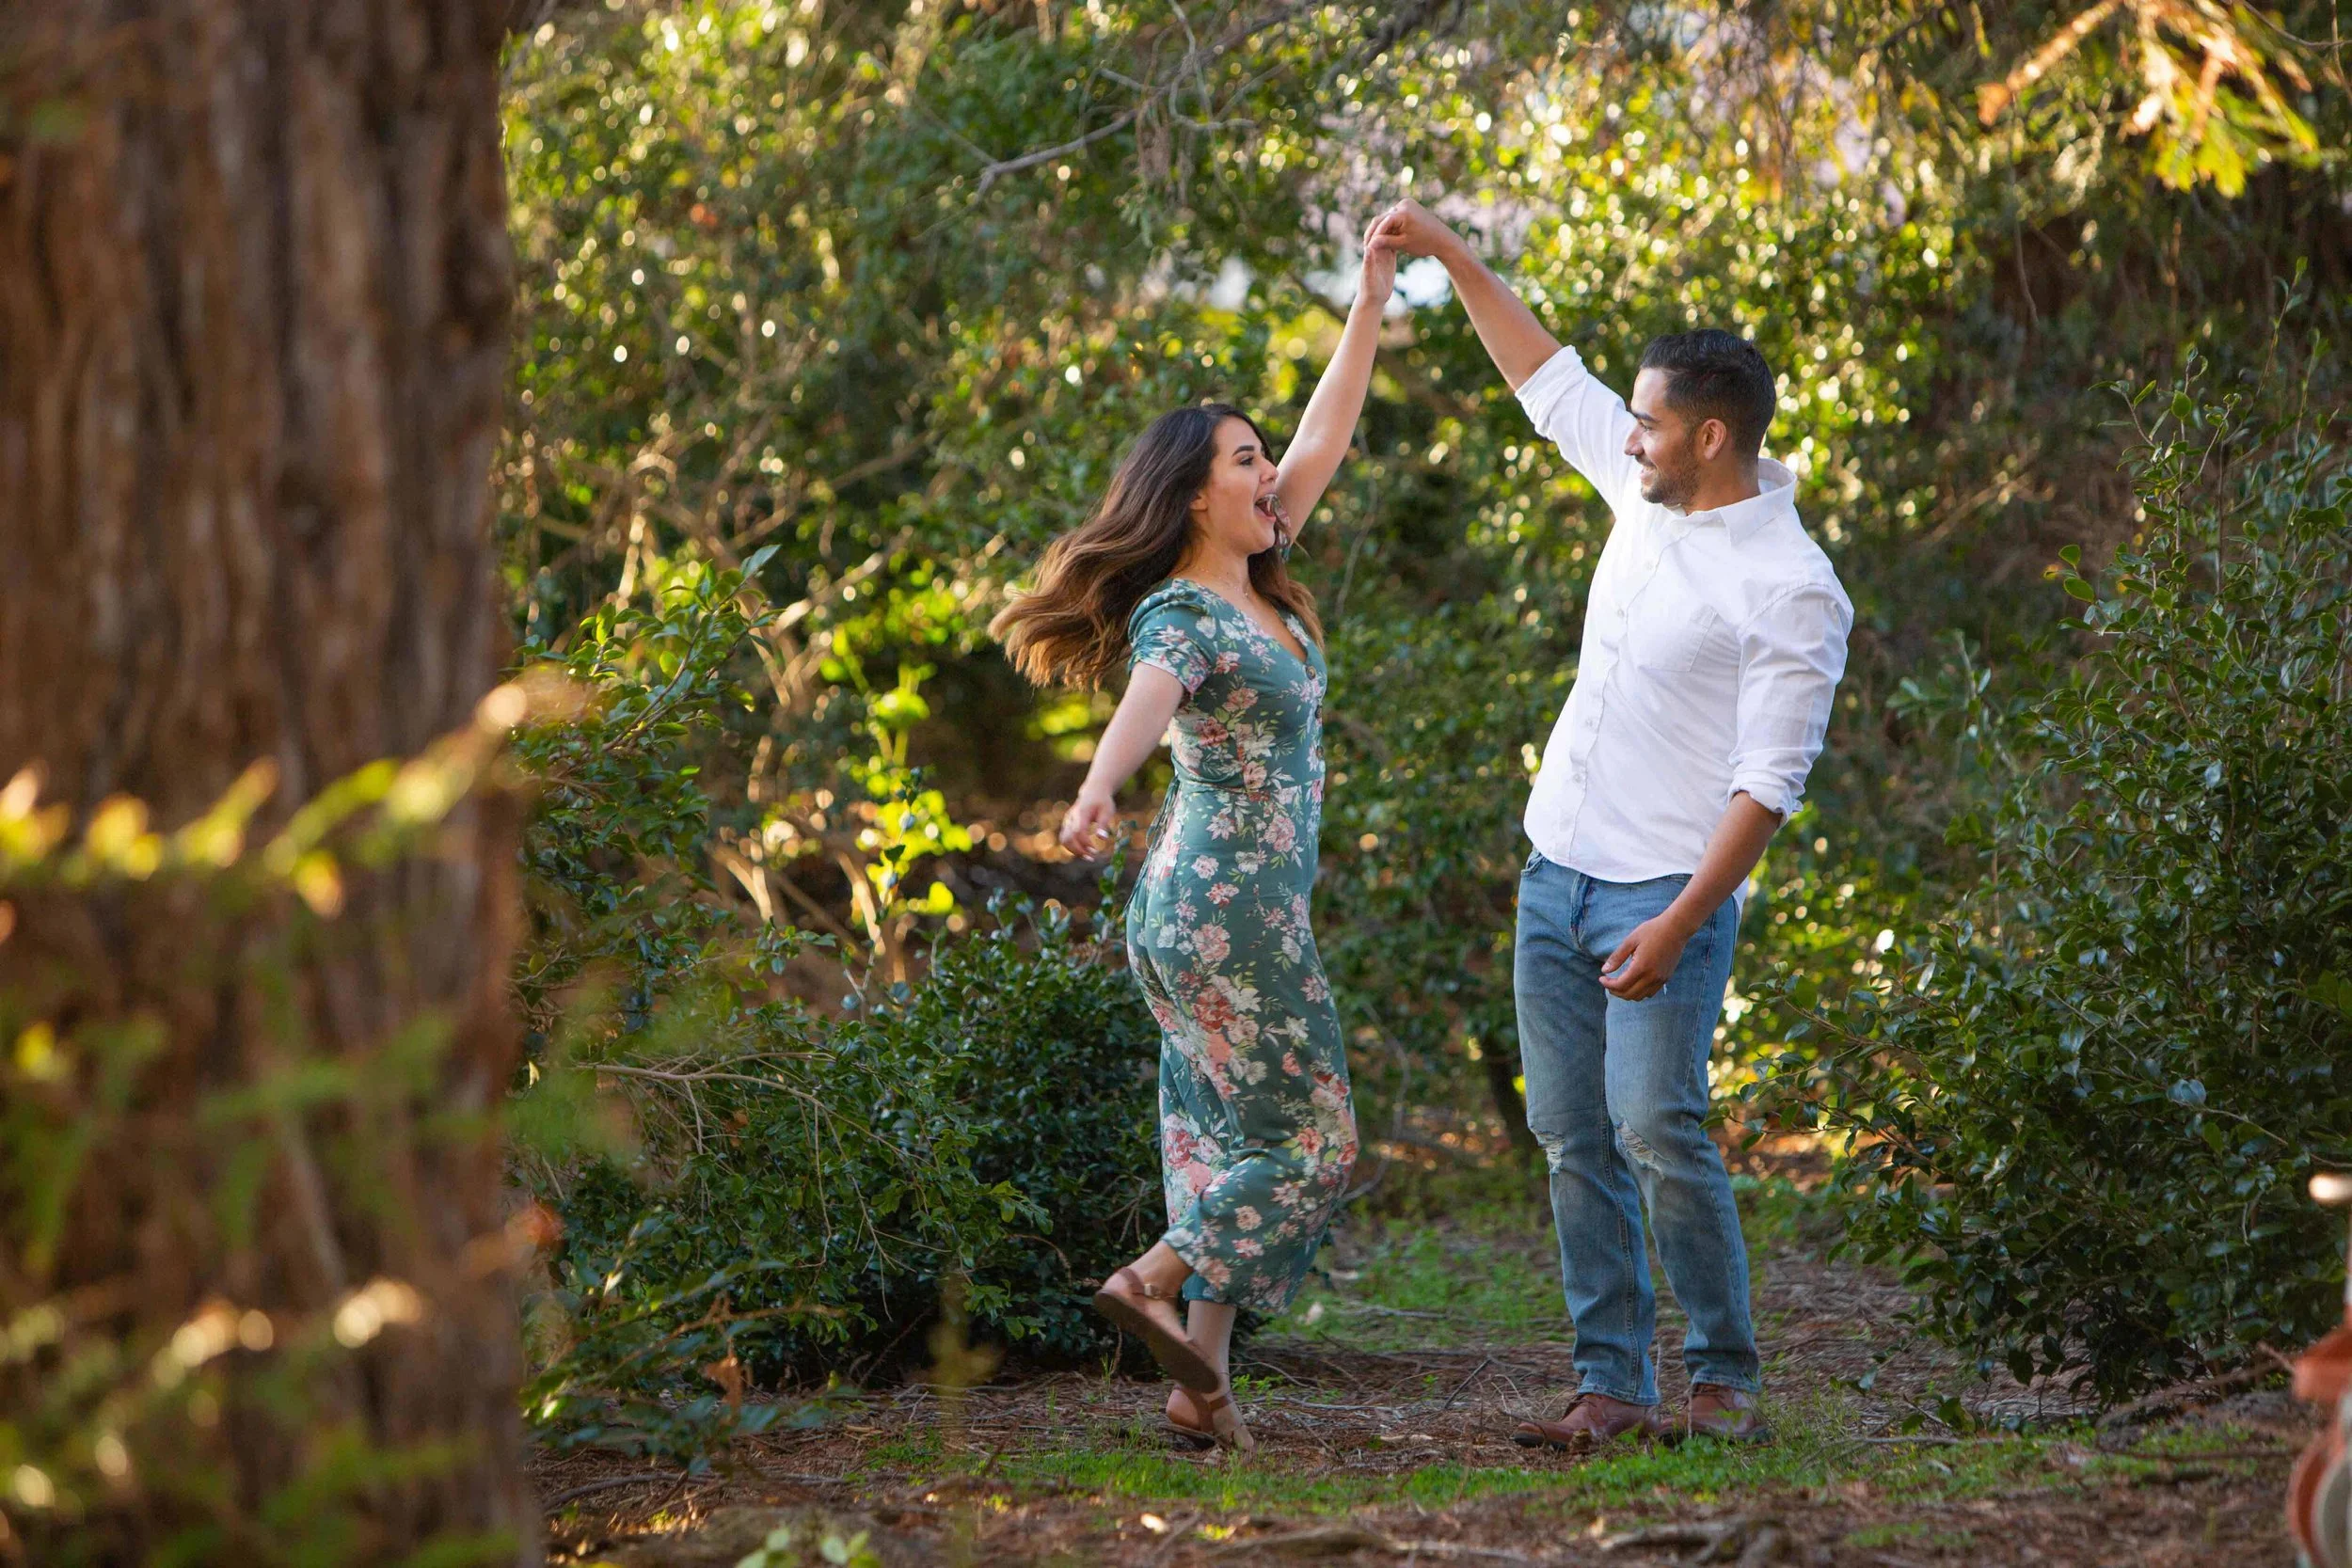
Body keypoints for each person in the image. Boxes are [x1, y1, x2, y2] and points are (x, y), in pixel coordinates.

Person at [1367, 199, 1852, 1449]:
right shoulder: (1643, 488)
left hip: (1663, 897)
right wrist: (1449, 252)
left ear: (1709, 433)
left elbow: (1768, 786)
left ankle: (1724, 1374)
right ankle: (1608, 1383)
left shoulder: (1792, 585)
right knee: (1572, 1131)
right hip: (1557, 870)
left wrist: (1686, 922)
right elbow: (1542, 372)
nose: (1624, 435)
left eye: (1647, 420)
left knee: (1655, 1123)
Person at [990, 225, 1395, 1451]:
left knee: (1226, 1136)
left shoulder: (1257, 587)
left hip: (1193, 915)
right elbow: (1144, 701)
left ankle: (1198, 1387)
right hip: (1229, 919)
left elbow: (1326, 434)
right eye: (1244, 459)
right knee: (1316, 1141)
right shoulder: (1186, 610)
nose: (1271, 471)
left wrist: (1369, 300)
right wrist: (1099, 786)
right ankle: (1151, 1279)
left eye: (1266, 458)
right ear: (1194, 495)